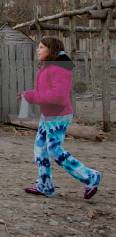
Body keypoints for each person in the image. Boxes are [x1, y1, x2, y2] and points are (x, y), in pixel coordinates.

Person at [21, 37, 101, 199]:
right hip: (48, 115)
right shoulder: (50, 66)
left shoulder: (60, 68)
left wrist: (31, 96)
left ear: (51, 49)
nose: (38, 50)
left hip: (58, 117)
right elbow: (46, 91)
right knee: (40, 151)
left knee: (54, 151)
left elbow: (58, 97)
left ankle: (90, 177)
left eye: (42, 47)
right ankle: (45, 185)